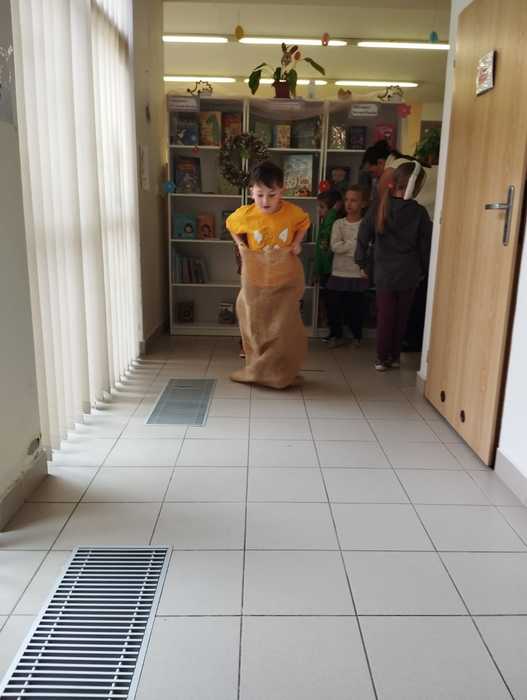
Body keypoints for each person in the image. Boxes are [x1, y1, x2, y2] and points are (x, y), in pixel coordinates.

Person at [226, 161, 310, 389]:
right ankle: (258, 367)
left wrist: (297, 243)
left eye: (272, 195)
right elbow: (231, 225)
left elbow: (305, 222)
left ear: (282, 191)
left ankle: (280, 371)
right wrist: (240, 244)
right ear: (251, 192)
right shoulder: (246, 214)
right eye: (260, 195)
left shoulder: (291, 212)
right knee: (257, 324)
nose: (265, 201)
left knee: (282, 326)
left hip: (283, 279)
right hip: (257, 280)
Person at [355, 161, 432, 371]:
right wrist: (425, 270)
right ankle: (394, 357)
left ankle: (382, 358)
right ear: (415, 187)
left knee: (385, 316)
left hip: (384, 273)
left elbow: (363, 234)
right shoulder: (419, 213)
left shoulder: (379, 206)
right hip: (409, 273)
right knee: (401, 317)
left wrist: (361, 262)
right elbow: (426, 246)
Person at [325, 185, 369, 348]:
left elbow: (367, 248)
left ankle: (356, 336)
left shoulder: (365, 225)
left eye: (354, 200)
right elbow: (335, 246)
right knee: (334, 307)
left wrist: (349, 246)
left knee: (355, 309)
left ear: (363, 203)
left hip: (357, 274)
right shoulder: (338, 224)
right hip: (338, 273)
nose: (349, 204)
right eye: (346, 200)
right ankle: (336, 335)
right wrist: (356, 245)